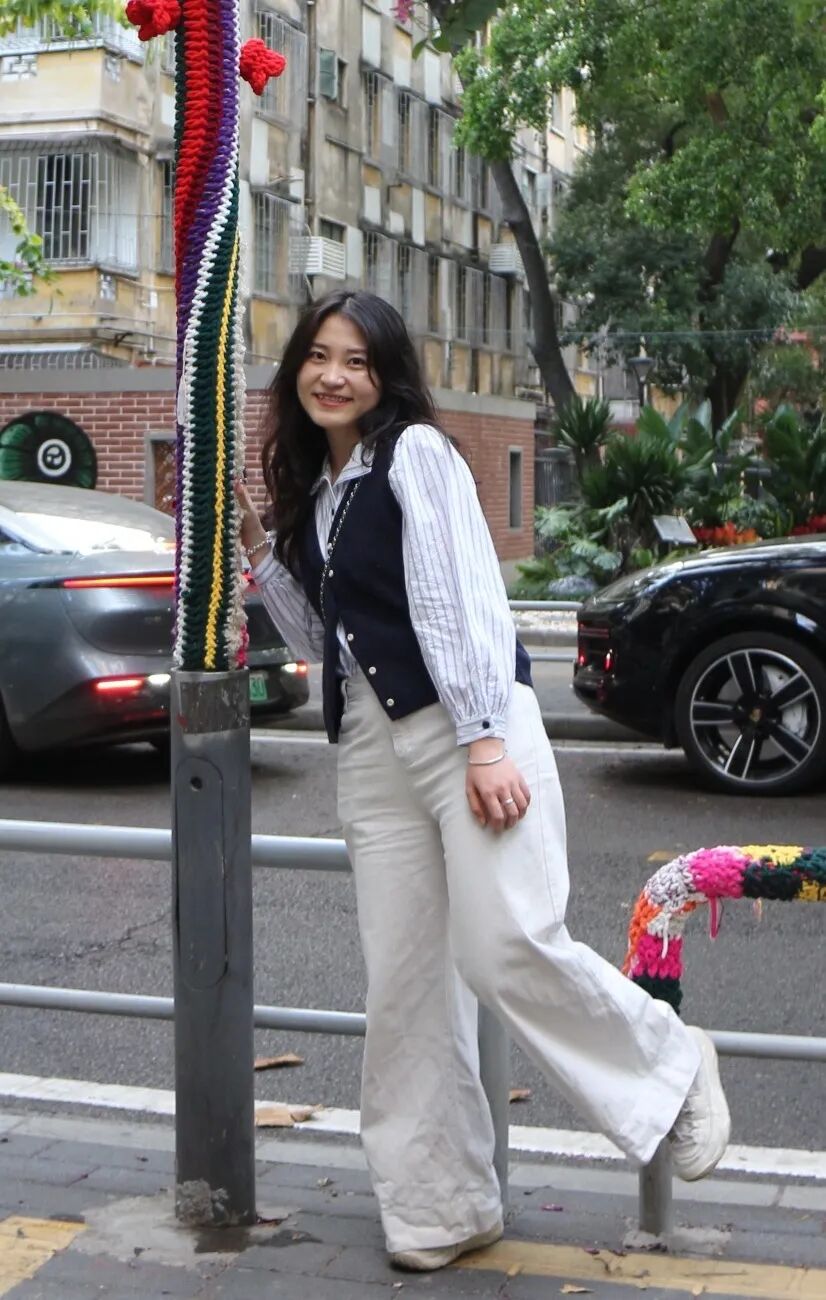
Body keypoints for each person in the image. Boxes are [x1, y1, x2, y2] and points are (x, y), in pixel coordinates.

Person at [235, 289, 730, 1273]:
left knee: (504, 942)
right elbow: (323, 642)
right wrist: (258, 546)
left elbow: (458, 594)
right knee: (407, 986)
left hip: (466, 729)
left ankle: (672, 1070)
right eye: (319, 356)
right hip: (370, 750)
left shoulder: (414, 453)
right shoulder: (322, 492)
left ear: (386, 377)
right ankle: (439, 1205)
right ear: (296, 370)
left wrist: (481, 738)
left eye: (358, 361)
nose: (334, 375)